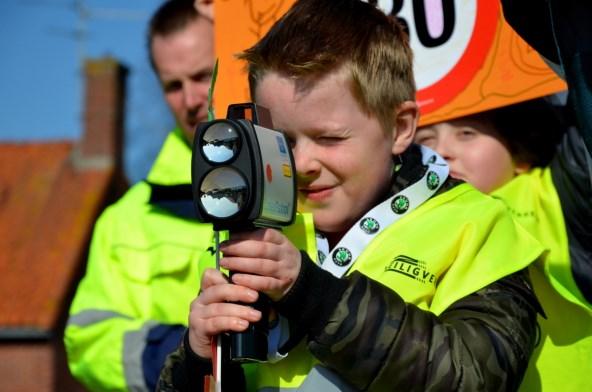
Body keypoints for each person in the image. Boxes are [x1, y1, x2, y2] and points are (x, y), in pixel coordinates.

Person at [157, 1, 545, 391]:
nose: (302, 162)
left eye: (329, 138)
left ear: (400, 127)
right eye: (283, 141)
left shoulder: (476, 226)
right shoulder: (254, 234)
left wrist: (312, 294)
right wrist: (198, 360)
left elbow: (475, 377)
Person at [64, 1, 217, 391]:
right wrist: (184, 352)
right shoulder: (125, 220)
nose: (190, 100)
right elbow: (86, 339)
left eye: (203, 75)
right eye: (173, 86)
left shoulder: (308, 180)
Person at [415, 95, 592, 391]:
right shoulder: (393, 222)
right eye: (425, 139)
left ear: (519, 154)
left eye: (467, 133)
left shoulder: (560, 192)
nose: (442, 151)